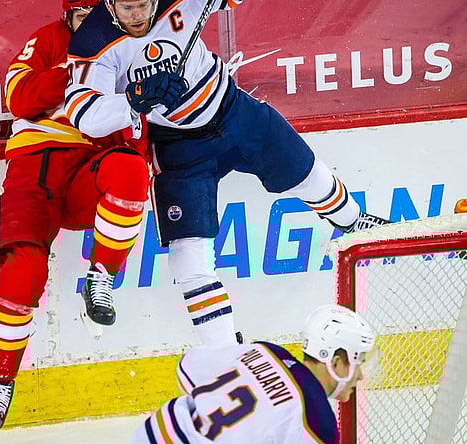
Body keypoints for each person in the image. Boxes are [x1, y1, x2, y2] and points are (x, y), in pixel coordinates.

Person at [64, 0, 390, 349]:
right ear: (110, 3)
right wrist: (134, 97)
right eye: (127, 7)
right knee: (188, 258)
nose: (137, 15)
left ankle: (352, 222)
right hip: (178, 147)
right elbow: (82, 111)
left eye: (144, 4)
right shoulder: (93, 40)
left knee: (308, 173)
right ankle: (224, 353)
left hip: (233, 110)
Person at [0, 0, 152, 433]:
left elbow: (141, 132)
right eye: (79, 16)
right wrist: (75, 74)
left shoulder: (137, 47)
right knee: (23, 272)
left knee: (131, 171)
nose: (85, 25)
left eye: (94, 17)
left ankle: (102, 279)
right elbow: (17, 97)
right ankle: (0, 382)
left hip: (90, 167)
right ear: (66, 16)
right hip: (35, 166)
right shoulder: (49, 40)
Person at [134, 304, 378, 443]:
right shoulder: (319, 422)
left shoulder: (266, 351)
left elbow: (187, 367)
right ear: (335, 362)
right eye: (358, 364)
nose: (360, 377)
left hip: (153, 432)